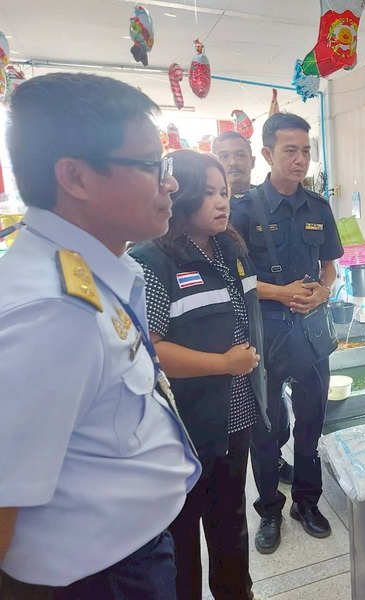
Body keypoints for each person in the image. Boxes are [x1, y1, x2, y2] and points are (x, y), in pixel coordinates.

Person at [0, 73, 200, 598]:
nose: (171, 185)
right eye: (152, 166)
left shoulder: (90, 272)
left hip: (128, 557)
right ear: (75, 177)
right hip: (99, 580)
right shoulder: (51, 314)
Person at [129, 150, 268, 600]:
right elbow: (148, 348)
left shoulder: (231, 249)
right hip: (185, 424)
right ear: (181, 195)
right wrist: (224, 364)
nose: (221, 202)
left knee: (230, 521)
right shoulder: (154, 260)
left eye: (223, 192)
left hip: (236, 413)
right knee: (182, 532)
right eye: (207, 193)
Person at [230, 112, 343, 554]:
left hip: (310, 332)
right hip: (265, 332)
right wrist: (281, 292)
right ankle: (269, 511)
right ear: (267, 153)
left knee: (311, 423)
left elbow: (330, 266)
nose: (300, 160)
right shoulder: (243, 209)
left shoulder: (318, 207)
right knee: (266, 428)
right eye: (290, 150)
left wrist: (323, 292)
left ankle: (307, 503)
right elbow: (234, 278)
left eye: (306, 151)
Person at [212, 130, 294, 485]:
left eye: (239, 154)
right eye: (224, 156)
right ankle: (266, 494)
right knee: (248, 416)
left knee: (275, 412)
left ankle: (275, 459)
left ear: (253, 158)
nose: (233, 162)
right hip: (229, 334)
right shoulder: (206, 217)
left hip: (271, 325)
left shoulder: (268, 202)